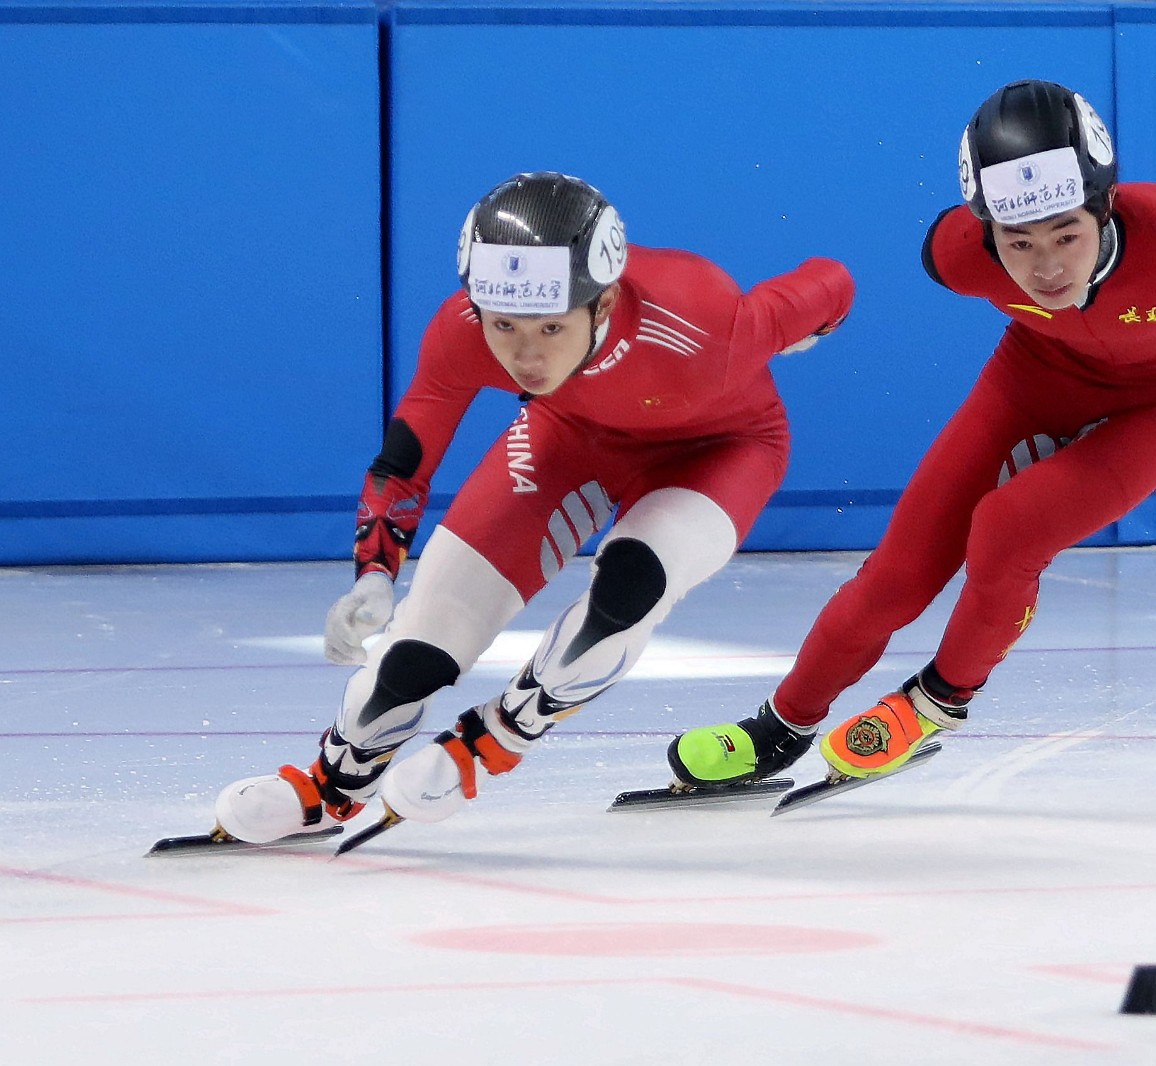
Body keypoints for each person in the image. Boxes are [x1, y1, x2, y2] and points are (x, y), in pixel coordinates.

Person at [668, 79, 1156, 789]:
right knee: (896, 576)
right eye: (1018, 242)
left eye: (1067, 235)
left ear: (1107, 205)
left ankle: (936, 701)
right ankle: (779, 727)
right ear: (985, 229)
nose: (1046, 267)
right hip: (1036, 378)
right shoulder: (956, 256)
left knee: (1009, 530)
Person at [214, 171, 853, 842]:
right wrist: (374, 573)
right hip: (568, 439)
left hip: (719, 450)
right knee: (421, 644)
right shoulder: (462, 329)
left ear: (603, 304)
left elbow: (831, 279)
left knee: (631, 584)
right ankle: (332, 785)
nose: (526, 354)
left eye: (551, 326)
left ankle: (492, 740)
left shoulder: (705, 317)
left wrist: (817, 325)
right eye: (504, 324)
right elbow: (404, 462)